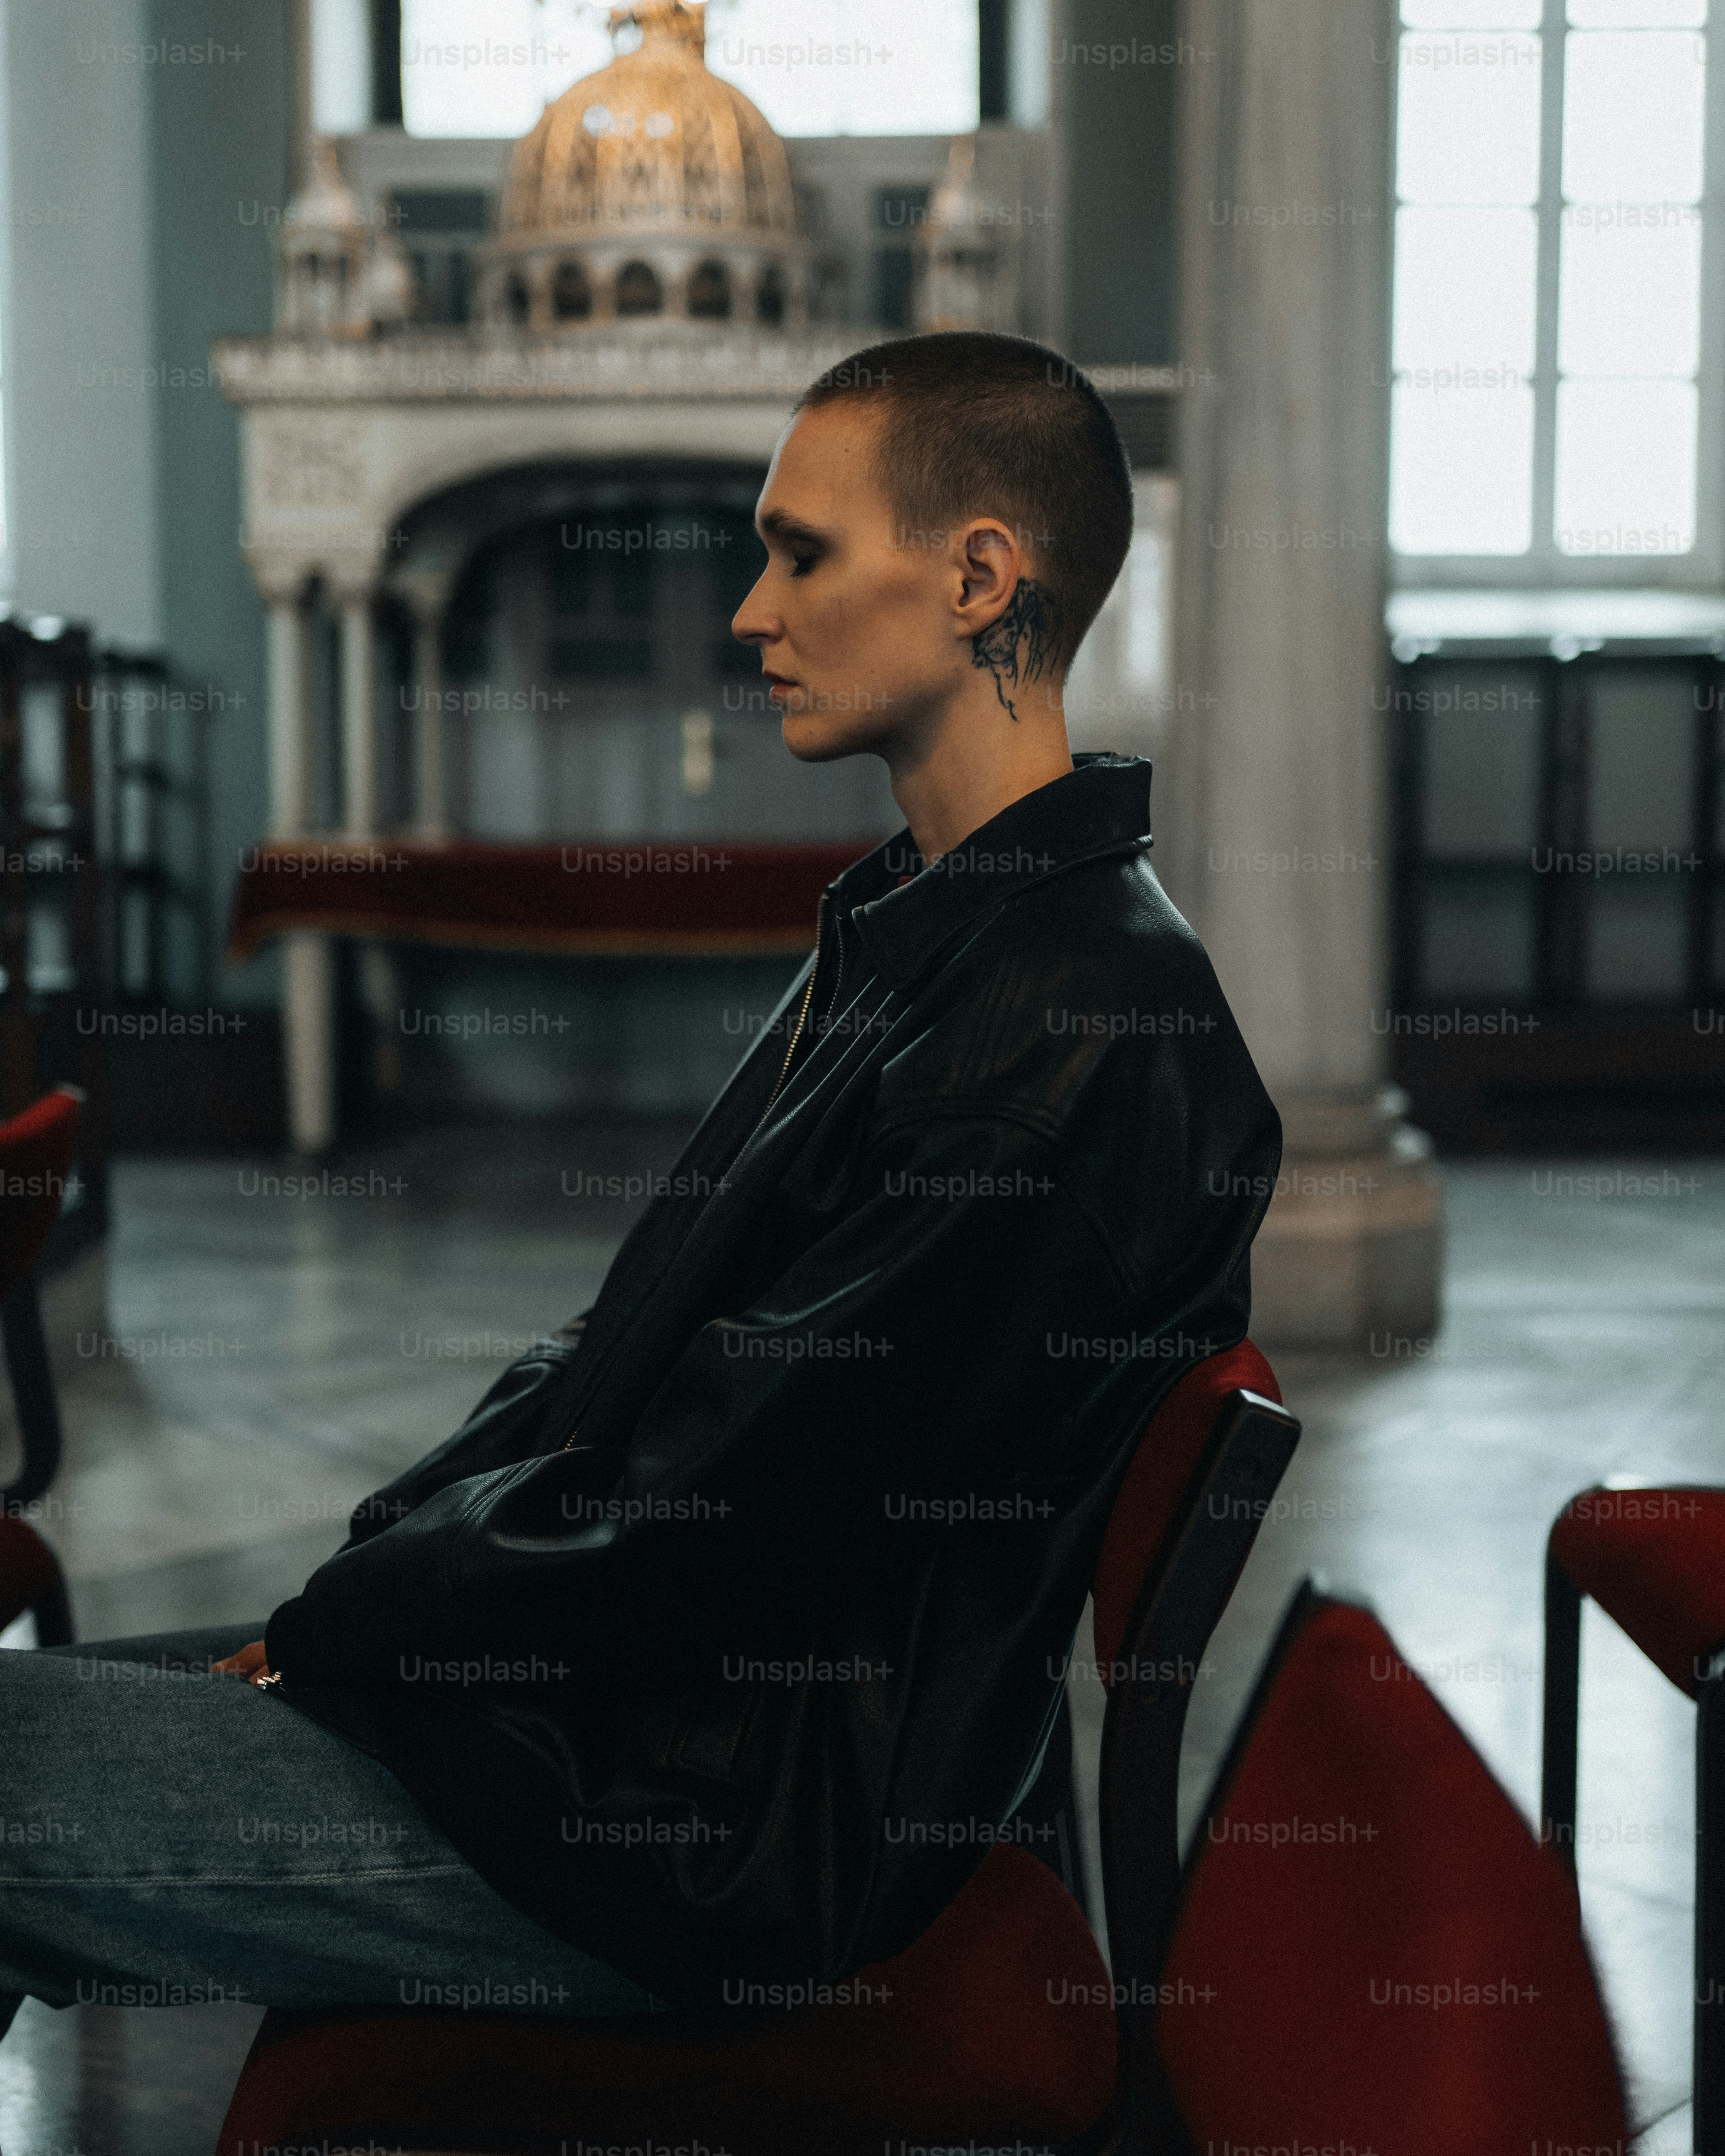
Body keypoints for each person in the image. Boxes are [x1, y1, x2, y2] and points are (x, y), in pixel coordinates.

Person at [0, 331, 1280, 2032]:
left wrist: (357, 1626)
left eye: (801, 554)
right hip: (637, 1722)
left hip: (712, 1834)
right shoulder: (933, 927)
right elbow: (623, 1362)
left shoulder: (1069, 1023)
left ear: (981, 580)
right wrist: (366, 1599)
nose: (751, 614)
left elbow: (715, 1520)